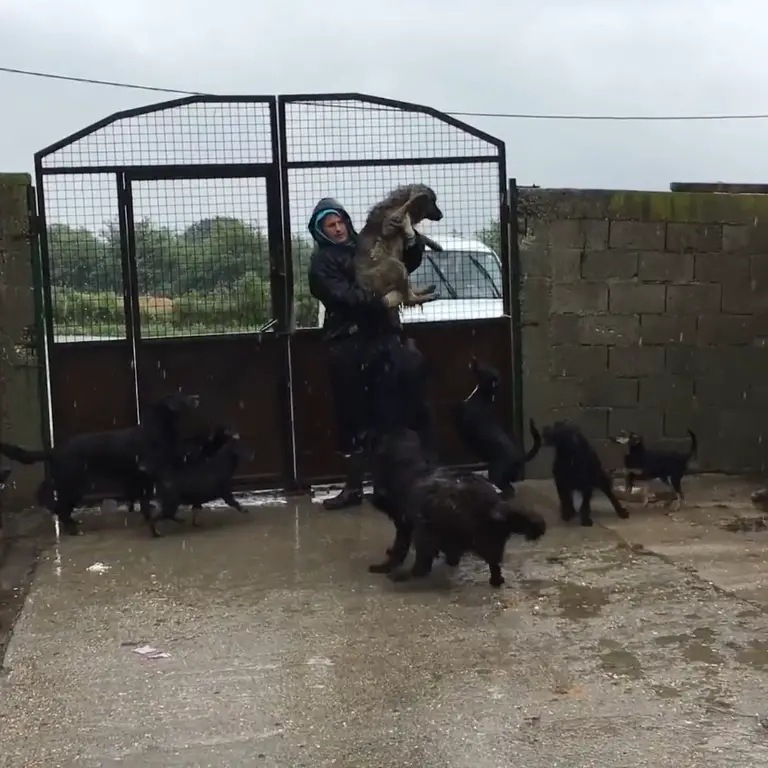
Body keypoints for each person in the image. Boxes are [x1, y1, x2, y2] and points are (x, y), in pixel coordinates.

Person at [307, 197, 427, 510]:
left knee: (389, 414)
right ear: (321, 231)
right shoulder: (323, 262)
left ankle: (389, 485)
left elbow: (405, 263)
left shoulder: (366, 246)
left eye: (339, 222)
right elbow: (342, 296)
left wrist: (410, 235)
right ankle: (353, 488)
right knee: (353, 418)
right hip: (348, 347)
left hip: (384, 340)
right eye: (329, 225)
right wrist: (382, 302)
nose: (337, 229)